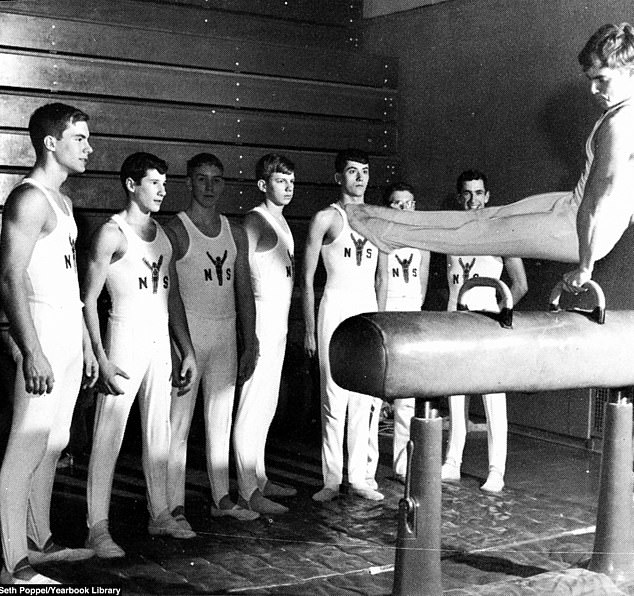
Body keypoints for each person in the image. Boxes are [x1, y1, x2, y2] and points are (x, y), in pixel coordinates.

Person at [345, 23, 634, 294]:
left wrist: (585, 267)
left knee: (481, 232)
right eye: (590, 79)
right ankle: (384, 215)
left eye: (601, 80)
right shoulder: (620, 112)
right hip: (575, 206)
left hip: (580, 230)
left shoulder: (620, 127)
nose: (593, 89)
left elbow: (597, 203)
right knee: (484, 215)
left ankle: (391, 233)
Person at [0, 103, 98, 584]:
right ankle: (12, 565)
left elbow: (68, 283)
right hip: (39, 328)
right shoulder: (29, 199)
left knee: (55, 442)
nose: (89, 147)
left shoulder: (64, 202)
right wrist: (31, 349)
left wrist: (82, 343)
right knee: (25, 444)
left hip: (65, 331)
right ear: (50, 143)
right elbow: (9, 278)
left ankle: (39, 545)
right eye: (79, 138)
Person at [83, 152, 197, 559]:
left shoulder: (163, 235)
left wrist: (185, 349)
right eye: (154, 183)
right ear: (132, 185)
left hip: (158, 342)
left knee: (158, 432)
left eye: (165, 183)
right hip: (122, 338)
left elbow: (174, 297)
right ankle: (97, 528)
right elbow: (89, 299)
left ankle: (160, 513)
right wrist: (99, 356)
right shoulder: (111, 234)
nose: (163, 191)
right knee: (108, 435)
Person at [165, 153, 259, 523]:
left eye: (216, 180)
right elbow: (167, 294)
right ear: (188, 182)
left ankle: (222, 497)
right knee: (179, 425)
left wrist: (250, 340)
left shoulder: (235, 232)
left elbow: (245, 292)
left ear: (224, 184)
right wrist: (178, 346)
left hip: (225, 335)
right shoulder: (175, 229)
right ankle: (174, 505)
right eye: (201, 179)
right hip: (190, 335)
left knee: (220, 419)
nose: (208, 187)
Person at [303, 148, 388, 503]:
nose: (360, 178)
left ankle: (360, 477)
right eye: (352, 172)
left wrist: (383, 323)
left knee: (365, 398)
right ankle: (331, 479)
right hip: (335, 308)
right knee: (333, 397)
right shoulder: (326, 218)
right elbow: (307, 278)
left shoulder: (379, 220)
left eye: (365, 171)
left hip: (367, 310)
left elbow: (384, 277)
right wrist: (309, 328)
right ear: (339, 177)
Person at [441, 170, 528, 493]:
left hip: (487, 323)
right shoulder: (452, 234)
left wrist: (499, 307)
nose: (472, 200)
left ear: (487, 196)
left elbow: (520, 284)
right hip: (455, 321)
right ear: (459, 195)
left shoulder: (501, 234)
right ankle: (452, 463)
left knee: (493, 399)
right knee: (455, 396)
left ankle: (496, 470)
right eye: (466, 193)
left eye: (478, 193)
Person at [234, 154, 297, 516]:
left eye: (291, 181)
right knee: (251, 407)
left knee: (267, 406)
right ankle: (246, 491)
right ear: (262, 185)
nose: (288, 187)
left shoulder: (282, 222)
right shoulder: (254, 222)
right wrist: (249, 334)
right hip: (260, 323)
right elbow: (242, 280)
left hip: (278, 325)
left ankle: (258, 477)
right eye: (280, 181)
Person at [370, 183, 430, 485]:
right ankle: (367, 467)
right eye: (396, 203)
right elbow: (379, 279)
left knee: (406, 395)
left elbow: (422, 285)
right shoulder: (381, 238)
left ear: (415, 206)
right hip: (386, 311)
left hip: (410, 315)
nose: (403, 209)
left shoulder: (422, 241)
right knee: (375, 395)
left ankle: (401, 463)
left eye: (408, 204)